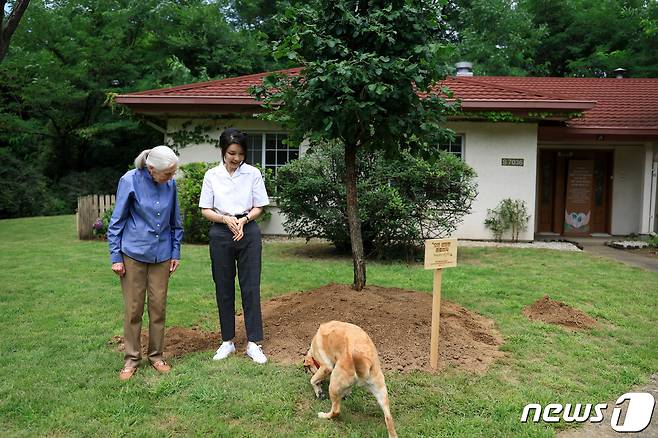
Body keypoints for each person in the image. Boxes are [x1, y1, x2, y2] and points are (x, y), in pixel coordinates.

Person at [107, 145, 183, 381]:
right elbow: (116, 221)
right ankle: (131, 359)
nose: (171, 178)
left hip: (161, 256)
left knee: (158, 307)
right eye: (168, 173)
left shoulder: (170, 185)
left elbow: (175, 222)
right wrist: (116, 257)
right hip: (133, 254)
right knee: (133, 309)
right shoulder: (129, 180)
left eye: (173, 173)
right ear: (151, 169)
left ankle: (156, 356)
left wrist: (175, 252)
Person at [199, 128, 269, 364]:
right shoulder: (212, 175)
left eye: (240, 153)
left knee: (250, 287)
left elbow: (259, 205)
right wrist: (226, 220)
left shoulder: (253, 174)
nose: (236, 158)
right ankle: (227, 341)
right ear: (223, 151)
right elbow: (206, 209)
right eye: (231, 153)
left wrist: (244, 219)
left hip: (247, 231)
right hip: (221, 232)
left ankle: (254, 343)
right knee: (224, 287)